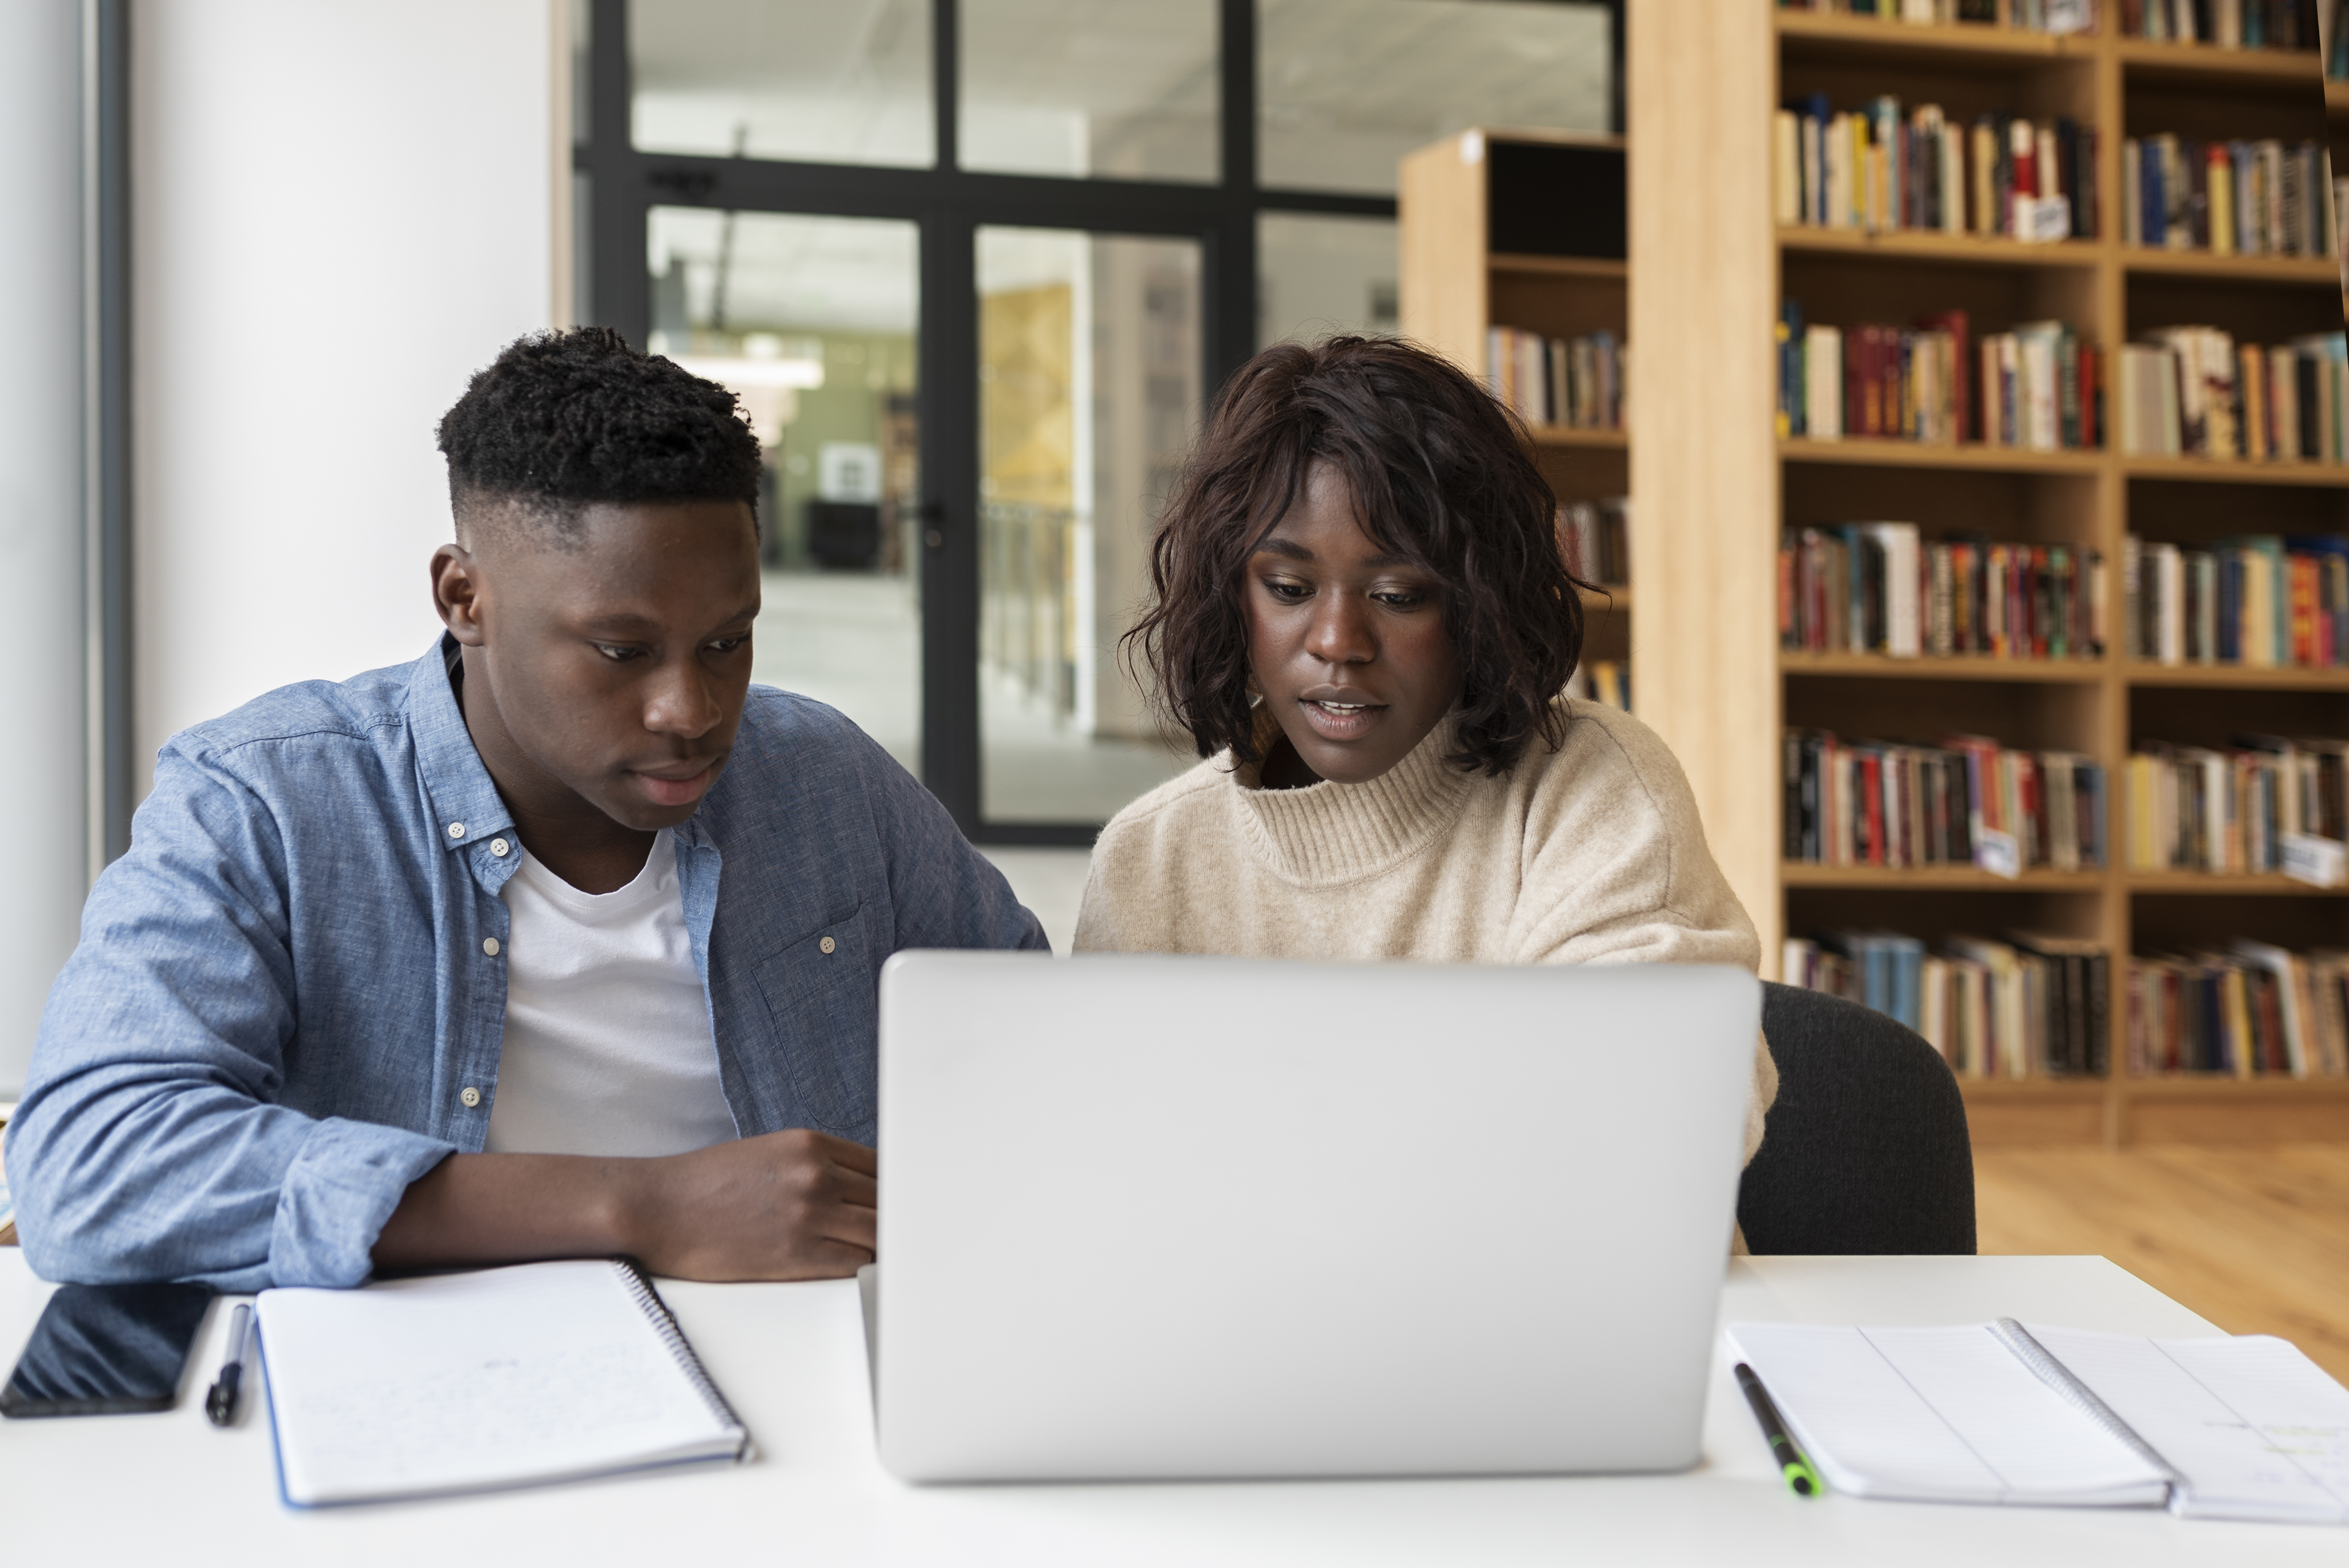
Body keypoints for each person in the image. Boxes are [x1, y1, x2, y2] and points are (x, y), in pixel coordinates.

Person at [6, 327, 1045, 1291]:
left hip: (810, 1361)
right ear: (465, 598)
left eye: (727, 641)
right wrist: (644, 1207)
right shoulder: (267, 801)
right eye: (622, 650)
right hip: (431, 1374)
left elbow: (1045, 1054)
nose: (690, 710)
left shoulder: (826, 780)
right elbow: (93, 1163)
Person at [1076, 335, 1778, 1176]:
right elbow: (1109, 1168)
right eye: (1289, 589)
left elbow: (1670, 1116)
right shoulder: (1149, 860)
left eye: (1398, 595)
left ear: (1479, 603)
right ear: (1232, 596)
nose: (1338, 641)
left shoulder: (1592, 792)